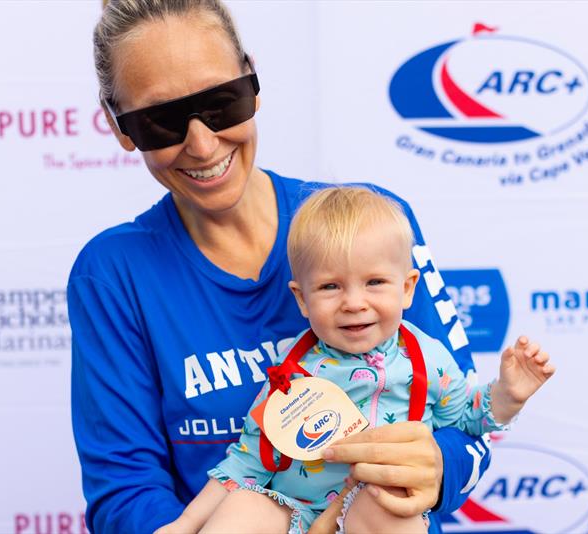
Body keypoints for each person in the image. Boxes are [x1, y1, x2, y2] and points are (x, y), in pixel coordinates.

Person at [71, 1, 493, 532]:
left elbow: (468, 429)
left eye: (221, 102)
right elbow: (124, 493)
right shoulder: (113, 274)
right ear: (119, 126)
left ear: (253, 80)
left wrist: (436, 469)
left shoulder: (375, 222)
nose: (203, 145)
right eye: (160, 121)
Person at [169, 187, 554, 534]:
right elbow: (246, 459)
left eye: (374, 283)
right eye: (330, 286)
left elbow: (470, 419)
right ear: (302, 299)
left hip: (371, 512)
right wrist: (183, 525)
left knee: (389, 504)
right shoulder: (292, 372)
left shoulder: (427, 359)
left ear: (407, 289)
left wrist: (508, 395)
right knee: (244, 505)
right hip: (297, 514)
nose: (354, 303)